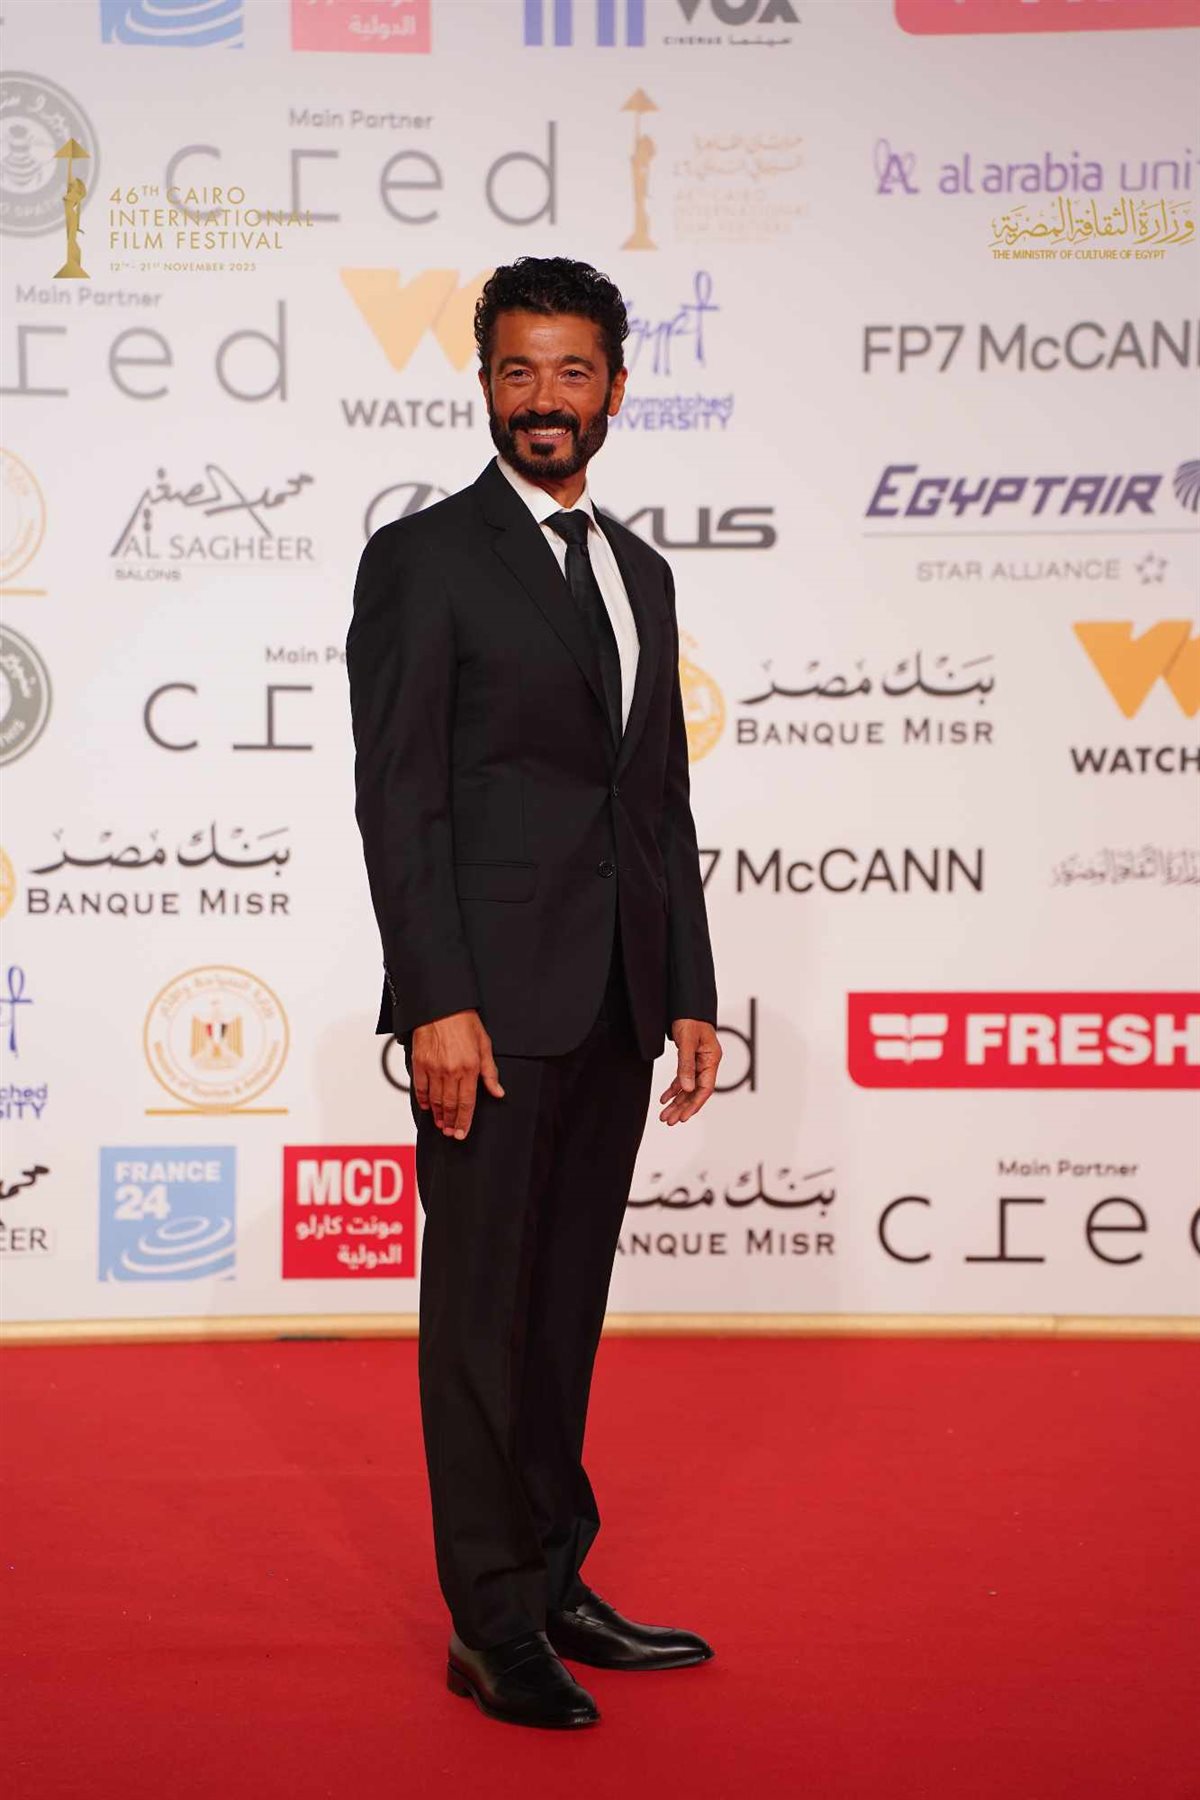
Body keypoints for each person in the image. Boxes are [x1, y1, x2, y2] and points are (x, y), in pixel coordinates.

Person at [347, 256, 721, 1730]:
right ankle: (490, 1622)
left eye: (572, 372)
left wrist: (685, 987)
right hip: (488, 1018)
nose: (544, 399)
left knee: (563, 1310)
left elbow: (655, 798)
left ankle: (558, 1578)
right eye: (518, 372)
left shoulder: (642, 571)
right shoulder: (425, 559)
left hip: (615, 1001)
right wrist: (435, 998)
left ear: (617, 386)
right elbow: (401, 801)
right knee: (481, 1324)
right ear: (486, 384)